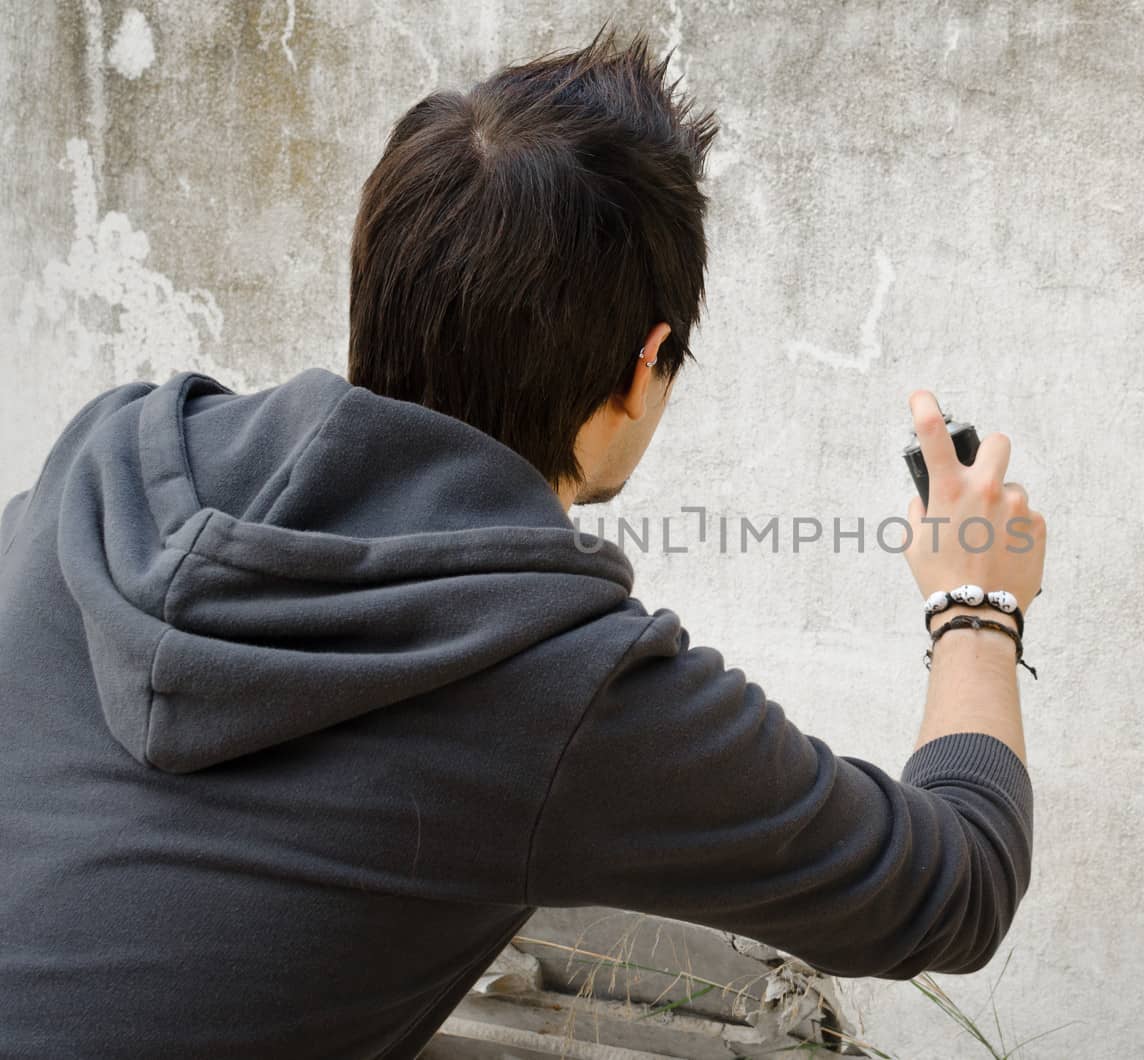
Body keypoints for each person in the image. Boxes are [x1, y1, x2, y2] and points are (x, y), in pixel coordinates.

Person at [0, 26, 1046, 1059]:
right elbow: (954, 885)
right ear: (644, 367)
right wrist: (975, 605)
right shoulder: (558, 680)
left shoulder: (108, 466)